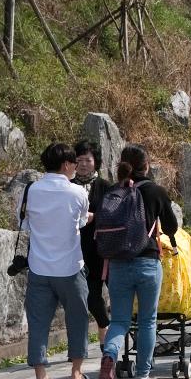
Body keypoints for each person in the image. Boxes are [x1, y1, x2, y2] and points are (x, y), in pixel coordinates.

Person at [96, 144, 178, 379]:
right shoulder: (155, 191)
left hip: (118, 263)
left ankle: (109, 354)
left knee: (120, 320)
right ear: (147, 165)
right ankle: (142, 377)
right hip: (147, 262)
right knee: (147, 321)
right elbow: (172, 227)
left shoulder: (113, 191)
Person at [22, 143, 93, 379]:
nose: (76, 167)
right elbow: (83, 221)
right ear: (66, 165)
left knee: (38, 323)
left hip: (39, 268)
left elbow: (26, 222)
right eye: (74, 163)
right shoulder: (77, 192)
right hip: (71, 268)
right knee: (78, 318)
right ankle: (75, 373)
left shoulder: (32, 189)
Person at [73, 140, 110, 345]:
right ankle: (104, 324)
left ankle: (114, 336)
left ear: (96, 162)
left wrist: (96, 217)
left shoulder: (105, 186)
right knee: (90, 295)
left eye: (88, 160)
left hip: (105, 249)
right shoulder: (68, 187)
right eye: (79, 160)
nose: (84, 164)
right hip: (80, 250)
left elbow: (114, 213)